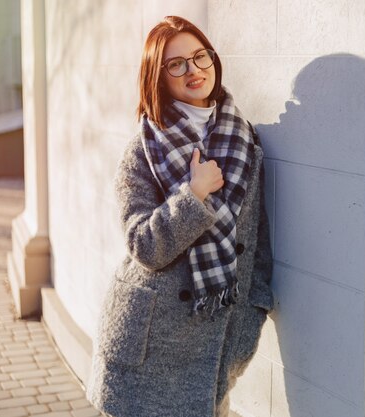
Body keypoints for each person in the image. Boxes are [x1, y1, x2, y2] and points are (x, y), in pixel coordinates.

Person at [86, 16, 275, 417]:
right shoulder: (144, 149)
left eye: (199, 56)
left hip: (214, 347)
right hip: (148, 347)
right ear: (158, 77)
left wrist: (248, 323)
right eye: (176, 64)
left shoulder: (244, 139)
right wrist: (193, 195)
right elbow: (143, 246)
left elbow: (256, 246)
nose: (193, 70)